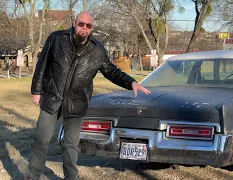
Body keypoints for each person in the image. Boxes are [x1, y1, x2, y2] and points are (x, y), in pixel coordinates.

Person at [24, 12, 151, 180]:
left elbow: (111, 70)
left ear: (91, 29)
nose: (84, 28)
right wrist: (36, 91)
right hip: (52, 97)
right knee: (42, 139)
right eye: (81, 24)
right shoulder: (56, 38)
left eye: (88, 26)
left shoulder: (97, 49)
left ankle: (71, 177)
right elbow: (42, 64)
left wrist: (131, 82)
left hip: (77, 103)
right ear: (74, 23)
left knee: (71, 145)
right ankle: (32, 175)